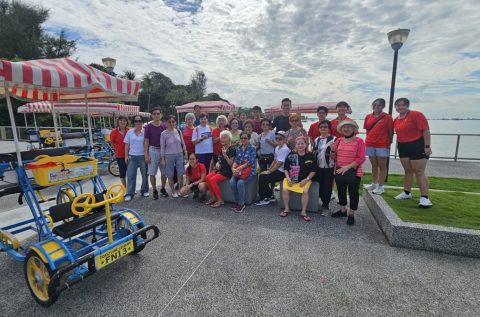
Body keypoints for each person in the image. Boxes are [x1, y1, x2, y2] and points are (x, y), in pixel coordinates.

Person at [393, 97, 433, 208]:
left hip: (417, 145)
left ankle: (424, 198)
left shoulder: (416, 115)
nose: (400, 107)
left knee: (419, 172)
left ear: (407, 105)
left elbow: (425, 130)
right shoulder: (396, 119)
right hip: (403, 146)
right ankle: (406, 192)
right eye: (398, 105)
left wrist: (427, 146)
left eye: (403, 105)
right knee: (407, 170)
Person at [330, 119, 366, 226]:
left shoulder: (359, 141)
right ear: (341, 129)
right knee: (341, 191)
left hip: (354, 171)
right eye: (344, 127)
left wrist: (348, 167)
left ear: (354, 129)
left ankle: (351, 214)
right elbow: (333, 157)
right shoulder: (339, 140)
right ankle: (342, 211)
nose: (346, 129)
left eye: (349, 127)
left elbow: (361, 158)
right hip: (339, 169)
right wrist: (332, 150)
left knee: (353, 193)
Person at [280, 136, 317, 221]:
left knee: (305, 191)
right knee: (285, 189)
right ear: (295, 145)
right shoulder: (291, 154)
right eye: (298, 144)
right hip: (291, 179)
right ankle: (286, 209)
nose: (300, 145)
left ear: (306, 144)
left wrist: (306, 179)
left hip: (305, 179)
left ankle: (303, 212)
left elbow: (314, 171)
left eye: (302, 143)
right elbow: (285, 168)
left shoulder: (310, 156)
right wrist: (288, 178)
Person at [363, 98, 394, 195]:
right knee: (374, 165)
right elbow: (368, 130)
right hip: (370, 143)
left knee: (382, 165)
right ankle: (374, 183)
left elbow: (391, 132)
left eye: (379, 105)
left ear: (383, 106)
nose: (376, 107)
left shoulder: (387, 117)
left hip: (382, 144)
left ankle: (380, 186)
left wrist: (389, 143)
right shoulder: (368, 116)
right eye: (374, 105)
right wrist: (367, 140)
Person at [255, 130, 290, 206]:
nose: (277, 140)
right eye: (276, 138)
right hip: (279, 170)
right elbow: (275, 160)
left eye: (280, 139)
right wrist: (268, 170)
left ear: (284, 140)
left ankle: (264, 198)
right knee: (262, 175)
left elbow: (279, 163)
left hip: (283, 172)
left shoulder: (284, 149)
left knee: (263, 177)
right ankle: (270, 196)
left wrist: (269, 172)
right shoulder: (277, 147)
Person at [205, 130, 236, 208]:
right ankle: (213, 197)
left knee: (212, 180)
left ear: (229, 139)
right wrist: (217, 163)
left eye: (225, 138)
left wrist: (225, 156)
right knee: (207, 177)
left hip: (227, 171)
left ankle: (220, 200)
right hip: (220, 170)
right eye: (221, 138)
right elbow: (219, 160)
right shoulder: (222, 148)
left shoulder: (232, 149)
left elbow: (231, 164)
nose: (222, 140)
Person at [160, 115, 188, 198]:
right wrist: (162, 158)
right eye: (169, 121)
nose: (171, 123)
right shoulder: (163, 134)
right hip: (168, 155)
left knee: (180, 173)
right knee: (170, 174)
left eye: (173, 121)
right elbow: (162, 147)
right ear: (166, 123)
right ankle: (172, 191)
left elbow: (183, 143)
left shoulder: (178, 131)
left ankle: (180, 190)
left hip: (179, 154)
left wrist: (185, 152)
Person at [229, 131, 256, 213]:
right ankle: (237, 201)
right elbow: (236, 160)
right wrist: (233, 168)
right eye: (242, 138)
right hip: (239, 171)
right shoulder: (239, 148)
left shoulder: (252, 148)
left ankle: (241, 203)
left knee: (240, 183)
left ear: (249, 139)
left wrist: (241, 167)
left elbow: (250, 161)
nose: (243, 139)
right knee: (232, 182)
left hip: (249, 172)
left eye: (245, 138)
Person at [144, 108, 168, 199]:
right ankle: (154, 190)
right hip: (152, 150)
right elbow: (146, 141)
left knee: (164, 172)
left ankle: (162, 188)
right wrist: (146, 154)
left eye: (158, 113)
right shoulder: (148, 127)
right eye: (154, 113)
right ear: (152, 115)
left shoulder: (164, 126)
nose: (156, 115)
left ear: (161, 115)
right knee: (152, 172)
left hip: (163, 151)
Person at [124, 115, 149, 201]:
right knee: (131, 176)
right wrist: (126, 156)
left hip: (143, 156)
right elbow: (126, 144)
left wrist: (147, 155)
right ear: (134, 122)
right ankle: (130, 193)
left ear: (142, 122)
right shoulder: (129, 132)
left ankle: (144, 190)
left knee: (145, 175)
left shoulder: (146, 131)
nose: (138, 123)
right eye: (136, 121)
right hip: (132, 156)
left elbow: (148, 144)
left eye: (140, 121)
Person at [313, 120, 335, 214]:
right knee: (318, 186)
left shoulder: (334, 139)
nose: (323, 128)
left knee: (327, 187)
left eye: (325, 127)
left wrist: (333, 152)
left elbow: (335, 155)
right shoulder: (316, 139)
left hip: (328, 167)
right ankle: (317, 203)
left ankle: (326, 205)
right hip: (318, 167)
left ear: (329, 128)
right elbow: (314, 153)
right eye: (321, 127)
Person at [109, 116, 129, 187]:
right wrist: (116, 149)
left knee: (130, 172)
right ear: (118, 121)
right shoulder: (114, 132)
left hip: (129, 155)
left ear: (126, 122)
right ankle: (125, 188)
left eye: (124, 120)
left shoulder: (129, 131)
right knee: (122, 173)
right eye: (121, 120)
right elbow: (111, 142)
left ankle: (130, 188)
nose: (122, 122)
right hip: (120, 155)